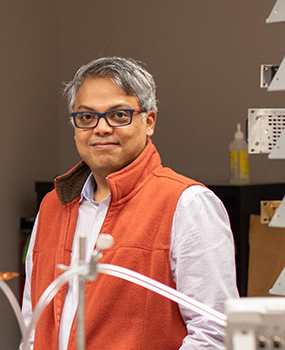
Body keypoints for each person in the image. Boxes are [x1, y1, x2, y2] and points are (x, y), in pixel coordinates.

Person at [21, 56, 239, 349]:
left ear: (149, 122)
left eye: (119, 115)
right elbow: (32, 323)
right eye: (86, 117)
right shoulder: (53, 205)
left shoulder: (187, 205)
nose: (101, 128)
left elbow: (215, 333)